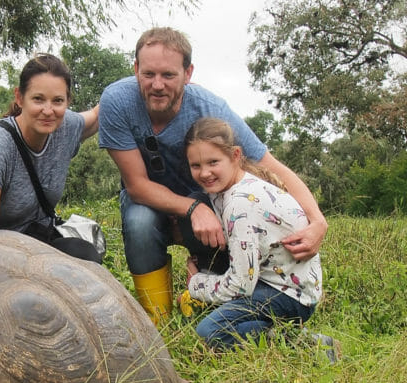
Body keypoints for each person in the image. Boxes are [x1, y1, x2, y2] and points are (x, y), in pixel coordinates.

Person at [98, 27, 327, 321]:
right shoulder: (117, 101)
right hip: (154, 202)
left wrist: (318, 220)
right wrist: (193, 208)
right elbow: (137, 186)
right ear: (136, 69)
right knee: (139, 221)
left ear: (188, 73)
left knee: (229, 219)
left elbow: (272, 167)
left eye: (168, 75)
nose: (157, 85)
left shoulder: (211, 109)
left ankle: (210, 296)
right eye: (148, 74)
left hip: (212, 204)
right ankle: (157, 322)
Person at [179, 117, 322, 349]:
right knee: (218, 316)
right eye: (196, 166)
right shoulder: (231, 188)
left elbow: (240, 286)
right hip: (283, 284)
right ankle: (276, 331)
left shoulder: (240, 204)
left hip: (289, 296)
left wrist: (196, 284)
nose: (204, 173)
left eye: (213, 162)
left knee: (209, 332)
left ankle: (304, 344)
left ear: (235, 156)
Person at [0, 53, 101, 262]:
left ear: (68, 102)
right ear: (19, 97)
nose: (48, 110)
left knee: (84, 255)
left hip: (34, 241)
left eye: (58, 101)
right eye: (38, 99)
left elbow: (97, 116)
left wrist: (144, 79)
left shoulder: (65, 126)